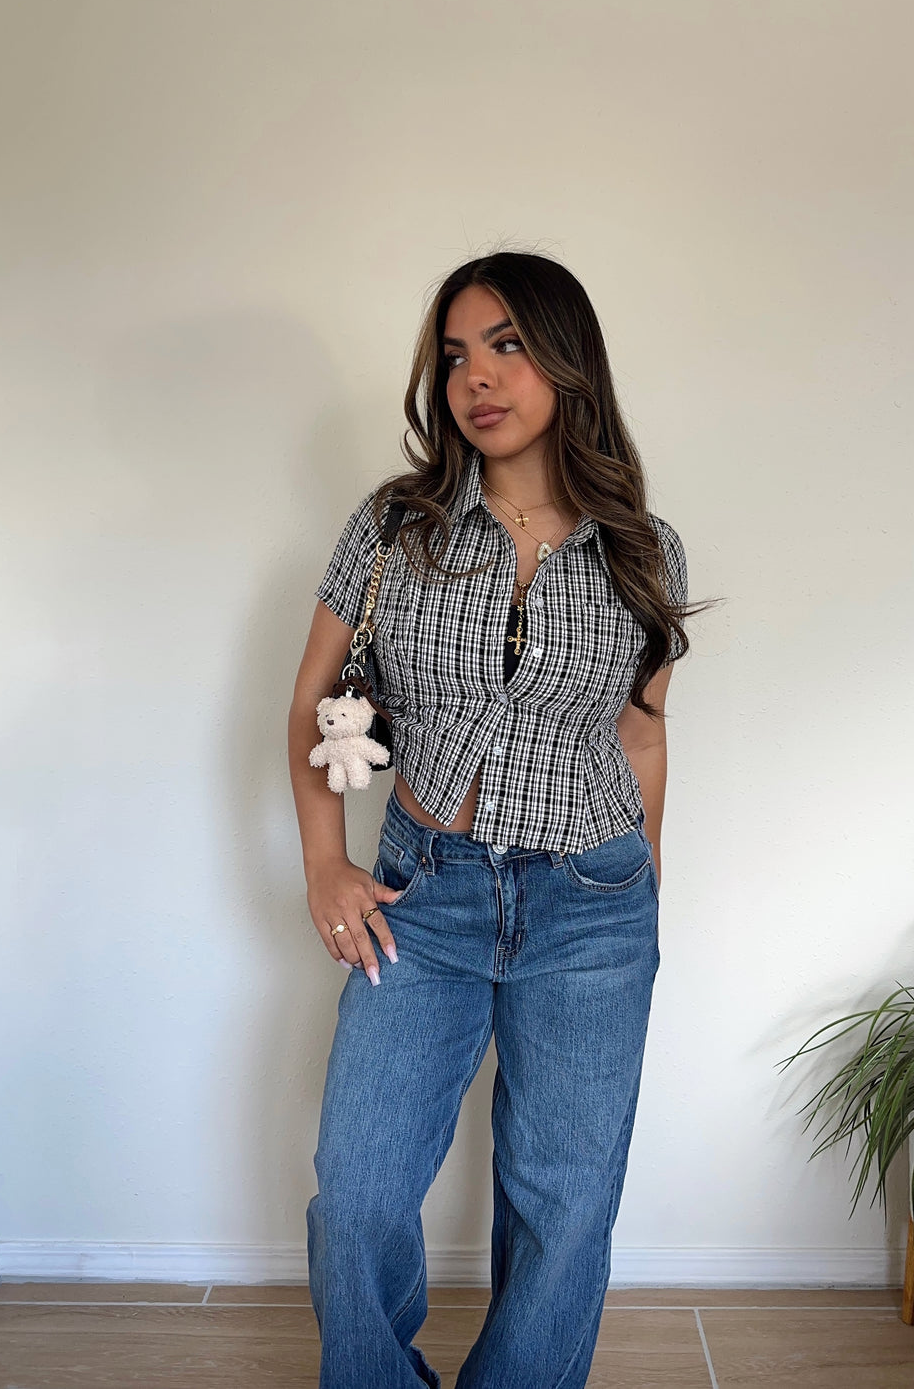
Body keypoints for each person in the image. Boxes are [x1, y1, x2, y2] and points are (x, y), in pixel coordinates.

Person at [287, 250, 697, 1389]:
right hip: (424, 896)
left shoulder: (643, 548)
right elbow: (315, 703)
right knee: (358, 1188)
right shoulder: (395, 526)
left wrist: (642, 878)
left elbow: (643, 736)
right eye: (458, 353)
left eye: (508, 345)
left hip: (592, 903)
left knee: (565, 1203)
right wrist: (325, 864)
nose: (478, 376)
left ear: (568, 361)